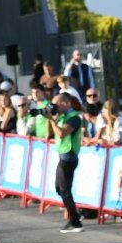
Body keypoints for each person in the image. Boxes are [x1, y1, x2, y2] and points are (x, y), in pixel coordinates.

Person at [51, 93, 86, 232]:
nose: (54, 108)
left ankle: (75, 222)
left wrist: (52, 121)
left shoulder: (74, 118)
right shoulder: (62, 117)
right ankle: (75, 216)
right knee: (60, 188)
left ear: (65, 103)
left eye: (56, 104)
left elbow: (61, 133)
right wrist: (53, 118)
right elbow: (52, 133)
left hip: (69, 158)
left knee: (64, 190)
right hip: (63, 157)